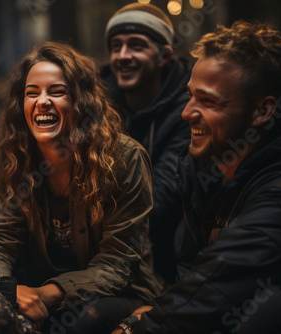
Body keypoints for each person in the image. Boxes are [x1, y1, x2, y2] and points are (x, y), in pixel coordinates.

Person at [112, 21, 281, 333]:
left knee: (272, 307)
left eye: (207, 101)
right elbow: (194, 271)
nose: (187, 112)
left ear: (262, 111)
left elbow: (224, 279)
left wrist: (142, 328)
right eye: (190, 96)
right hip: (226, 309)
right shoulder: (207, 163)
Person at [0, 41, 163, 333]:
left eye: (57, 92)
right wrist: (5, 289)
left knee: (85, 319)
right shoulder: (13, 156)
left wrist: (45, 294)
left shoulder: (124, 158)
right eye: (31, 93)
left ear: (82, 101)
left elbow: (118, 265)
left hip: (116, 293)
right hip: (34, 281)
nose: (42, 101)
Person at [102, 3, 192, 284]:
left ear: (164, 55)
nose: (123, 56)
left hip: (161, 248)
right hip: (99, 239)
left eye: (136, 46)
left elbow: (162, 197)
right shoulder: (97, 100)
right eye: (116, 47)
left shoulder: (189, 108)